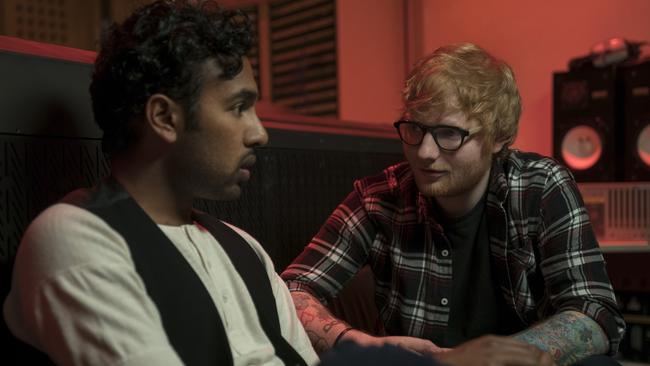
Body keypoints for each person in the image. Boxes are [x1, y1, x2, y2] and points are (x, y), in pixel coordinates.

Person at [2, 1, 318, 365]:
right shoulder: (75, 238)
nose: (259, 133)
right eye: (238, 108)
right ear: (165, 117)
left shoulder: (243, 246)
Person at [282, 43, 625, 366]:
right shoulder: (379, 196)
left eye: (449, 134)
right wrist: (359, 342)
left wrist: (496, 358)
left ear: (499, 137)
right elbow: (290, 291)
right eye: (415, 128)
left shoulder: (541, 186)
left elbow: (593, 311)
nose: (425, 152)